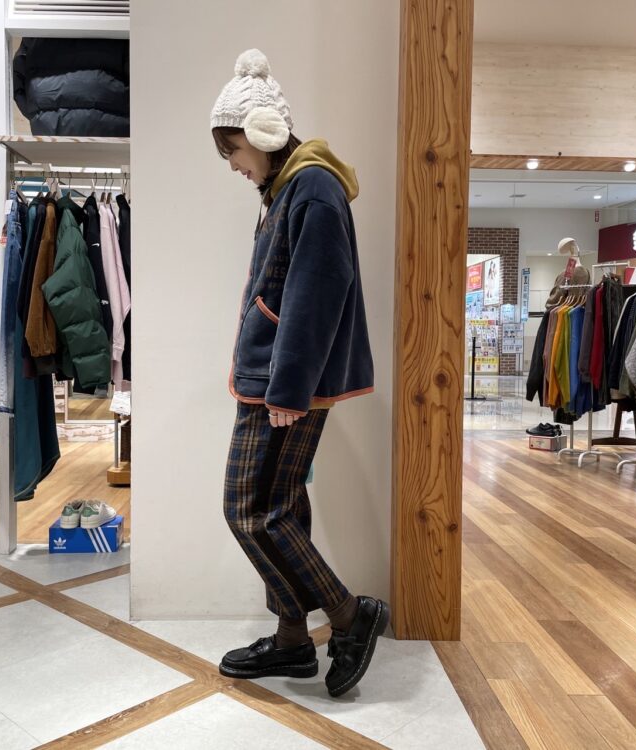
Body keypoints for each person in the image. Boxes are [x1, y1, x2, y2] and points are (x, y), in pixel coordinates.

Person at [210, 49, 389, 698]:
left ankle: (349, 614)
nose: (233, 164)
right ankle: (291, 639)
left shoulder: (312, 186)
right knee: (279, 507)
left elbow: (317, 293)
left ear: (261, 135)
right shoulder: (289, 188)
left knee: (250, 510)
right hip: (272, 380)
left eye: (233, 150)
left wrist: (288, 389)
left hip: (283, 387)